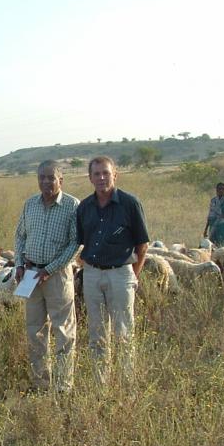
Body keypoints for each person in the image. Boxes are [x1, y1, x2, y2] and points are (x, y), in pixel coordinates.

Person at [76, 155, 149, 384]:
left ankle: (127, 386)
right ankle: (101, 385)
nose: (101, 178)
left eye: (106, 173)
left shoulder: (129, 204)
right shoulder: (85, 207)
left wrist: (133, 276)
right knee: (97, 332)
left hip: (121, 273)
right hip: (92, 273)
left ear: (115, 175)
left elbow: (142, 244)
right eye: (96, 174)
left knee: (124, 332)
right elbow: (80, 242)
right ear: (90, 178)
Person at [13, 161, 80, 393]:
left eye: (51, 178)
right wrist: (20, 265)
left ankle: (63, 386)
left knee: (63, 330)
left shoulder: (72, 206)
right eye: (42, 177)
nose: (46, 182)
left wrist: (49, 269)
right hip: (31, 274)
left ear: (60, 180)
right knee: (35, 330)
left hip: (57, 276)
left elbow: (75, 244)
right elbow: (20, 236)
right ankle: (41, 383)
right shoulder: (30, 204)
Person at [203, 181, 224, 247]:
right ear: (216, 190)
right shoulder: (213, 200)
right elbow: (210, 215)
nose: (221, 190)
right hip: (213, 225)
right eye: (219, 189)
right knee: (212, 244)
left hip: (223, 225)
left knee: (223, 244)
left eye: (222, 189)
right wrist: (206, 229)